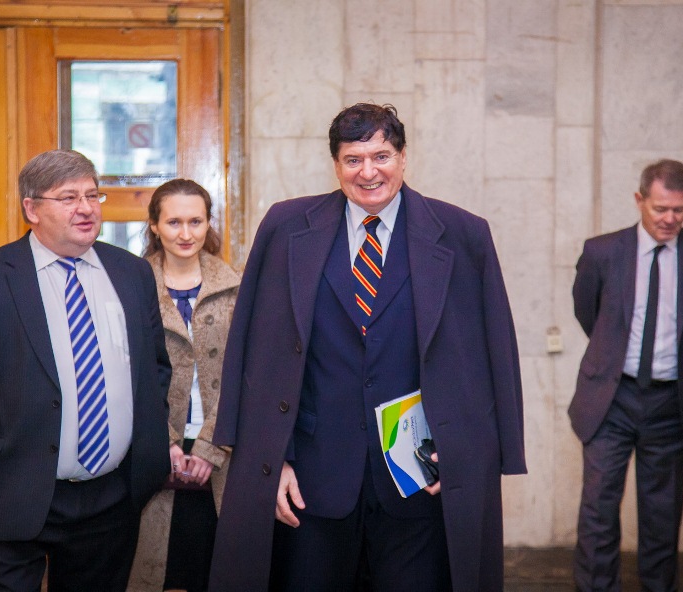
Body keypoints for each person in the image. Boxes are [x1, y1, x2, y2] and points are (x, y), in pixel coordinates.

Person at [208, 103, 525, 592]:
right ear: (335, 165)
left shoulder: (463, 235)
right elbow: (254, 347)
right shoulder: (286, 228)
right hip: (311, 481)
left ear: (403, 157)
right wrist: (271, 459)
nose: (368, 172)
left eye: (381, 156)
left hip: (419, 480)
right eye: (353, 159)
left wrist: (470, 454)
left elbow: (494, 353)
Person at [0, 149, 171, 591]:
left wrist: (146, 450)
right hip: (10, 487)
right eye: (68, 198)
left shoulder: (132, 273)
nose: (86, 208)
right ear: (31, 209)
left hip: (111, 496)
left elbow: (154, 368)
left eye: (92, 195)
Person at [569, 159, 683, 591]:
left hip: (671, 402)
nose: (669, 219)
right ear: (640, 200)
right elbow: (588, 313)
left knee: (662, 515)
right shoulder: (602, 252)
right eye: (660, 208)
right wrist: (612, 354)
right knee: (598, 511)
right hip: (610, 398)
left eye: (679, 209)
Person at [127, 179, 239, 592]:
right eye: (174, 222)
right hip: (153, 447)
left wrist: (210, 446)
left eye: (196, 221)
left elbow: (245, 374)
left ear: (209, 223)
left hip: (222, 449)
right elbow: (128, 375)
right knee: (152, 567)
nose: (186, 233)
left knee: (212, 570)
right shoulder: (130, 287)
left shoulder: (237, 288)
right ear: (154, 226)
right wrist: (165, 443)